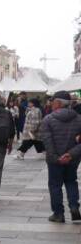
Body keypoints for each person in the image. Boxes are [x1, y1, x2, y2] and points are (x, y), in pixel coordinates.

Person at [39, 91, 81, 222]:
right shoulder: (79, 118)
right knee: (71, 181)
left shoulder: (48, 119)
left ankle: (58, 213)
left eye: (52, 101)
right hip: (73, 158)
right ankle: (74, 207)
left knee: (55, 185)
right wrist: (70, 154)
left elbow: (47, 142)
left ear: (58, 103)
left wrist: (56, 158)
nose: (51, 104)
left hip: (55, 160)